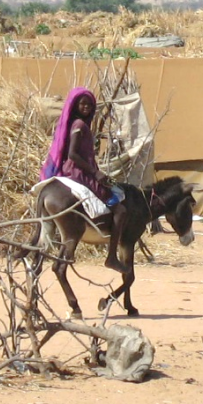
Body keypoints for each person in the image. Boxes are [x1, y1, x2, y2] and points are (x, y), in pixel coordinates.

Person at [40, 87, 128, 273]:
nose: (86, 107)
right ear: (75, 106)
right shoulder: (79, 125)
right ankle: (111, 256)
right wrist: (96, 174)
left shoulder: (76, 124)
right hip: (79, 173)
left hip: (79, 170)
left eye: (89, 104)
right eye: (82, 104)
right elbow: (73, 154)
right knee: (119, 209)